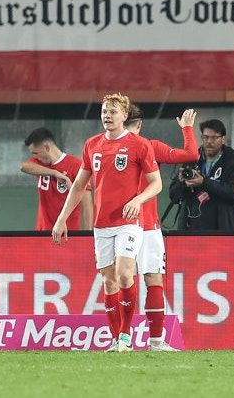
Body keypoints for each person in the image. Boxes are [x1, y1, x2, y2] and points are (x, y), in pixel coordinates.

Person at [51, 93, 162, 353]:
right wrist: (62, 219)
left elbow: (157, 183)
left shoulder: (139, 145)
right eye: (104, 111)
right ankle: (117, 340)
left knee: (124, 274)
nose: (107, 116)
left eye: (113, 112)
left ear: (124, 116)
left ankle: (125, 335)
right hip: (102, 224)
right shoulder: (92, 145)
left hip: (128, 222)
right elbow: (79, 185)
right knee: (109, 281)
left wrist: (138, 200)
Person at [127, 105, 198, 351]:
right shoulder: (150, 146)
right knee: (153, 280)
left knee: (121, 282)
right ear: (140, 124)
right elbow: (191, 154)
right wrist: (187, 129)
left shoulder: (104, 148)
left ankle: (122, 340)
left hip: (118, 225)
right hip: (147, 226)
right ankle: (156, 341)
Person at [169, 118, 234, 231]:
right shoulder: (192, 160)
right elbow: (173, 196)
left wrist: (204, 182)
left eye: (214, 137)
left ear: (223, 139)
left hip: (221, 230)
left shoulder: (233, 162)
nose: (209, 141)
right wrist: (183, 183)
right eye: (205, 137)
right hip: (191, 229)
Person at [21, 127, 91, 231]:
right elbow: (23, 166)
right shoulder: (39, 164)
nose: (35, 157)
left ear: (47, 147)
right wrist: (55, 173)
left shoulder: (76, 165)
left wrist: (88, 235)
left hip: (67, 233)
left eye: (35, 153)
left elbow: (87, 205)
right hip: (42, 233)